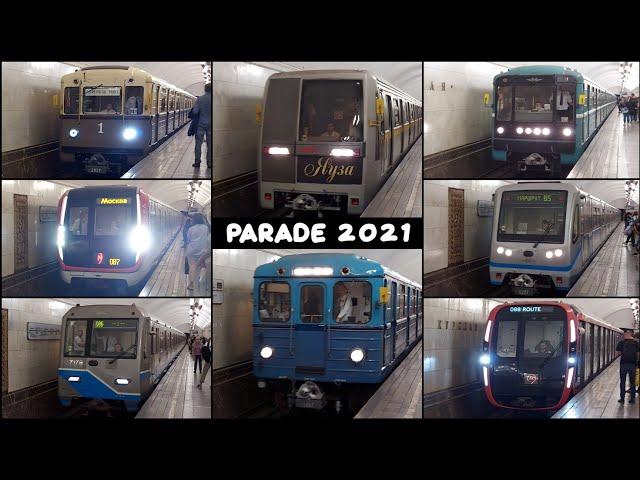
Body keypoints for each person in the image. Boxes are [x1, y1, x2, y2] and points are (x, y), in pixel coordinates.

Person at [185, 213, 210, 292]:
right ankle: (199, 280)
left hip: (192, 251)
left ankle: (191, 284)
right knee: (201, 266)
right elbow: (206, 237)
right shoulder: (206, 228)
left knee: (192, 266)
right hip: (202, 250)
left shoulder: (191, 229)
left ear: (194, 220)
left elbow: (188, 239)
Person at [191, 83, 211, 169]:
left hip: (201, 124)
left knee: (198, 143)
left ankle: (197, 161)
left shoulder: (200, 99)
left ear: (205, 89)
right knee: (210, 144)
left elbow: (195, 112)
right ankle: (209, 162)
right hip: (211, 125)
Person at [616, 330, 638, 404]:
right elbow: (638, 354)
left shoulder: (621, 343)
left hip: (623, 364)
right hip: (633, 364)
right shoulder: (636, 343)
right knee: (632, 382)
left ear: (625, 334)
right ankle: (632, 399)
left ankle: (622, 398)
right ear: (631, 334)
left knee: (622, 382)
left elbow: (618, 353)